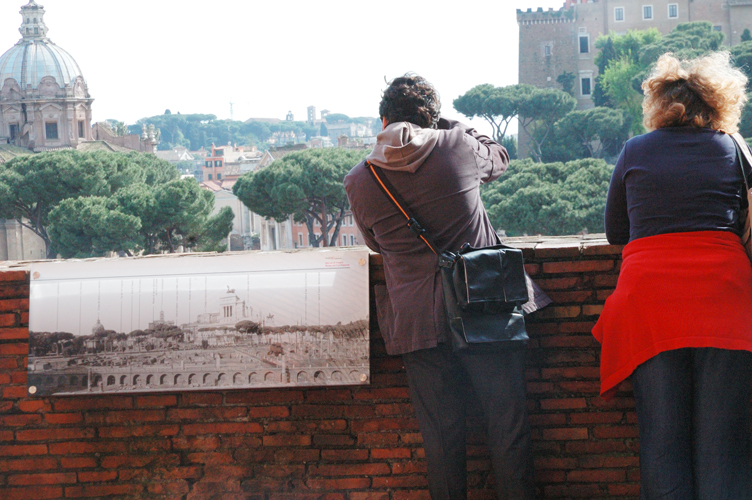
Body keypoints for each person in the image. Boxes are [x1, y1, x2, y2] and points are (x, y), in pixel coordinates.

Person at [344, 74, 550, 500]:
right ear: (431, 120)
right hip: (486, 307)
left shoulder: (359, 180)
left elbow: (374, 244)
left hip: (418, 321)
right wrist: (456, 126)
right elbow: (499, 158)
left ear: (382, 121)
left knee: (441, 440)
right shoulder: (456, 145)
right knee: (506, 428)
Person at [593, 52, 752, 499]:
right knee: (724, 444)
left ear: (658, 106)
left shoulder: (634, 151)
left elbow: (614, 232)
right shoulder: (733, 147)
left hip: (650, 302)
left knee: (663, 442)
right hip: (725, 297)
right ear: (719, 102)